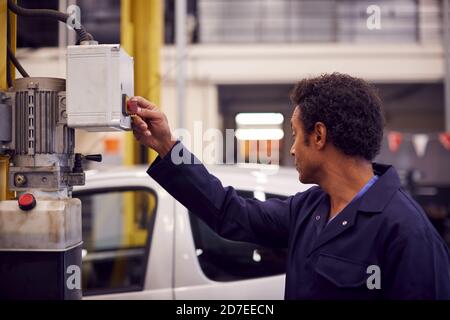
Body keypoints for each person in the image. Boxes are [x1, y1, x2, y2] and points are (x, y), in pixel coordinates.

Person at [128, 73, 450, 300]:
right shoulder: (308, 209)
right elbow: (230, 212)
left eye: (296, 134)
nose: (293, 149)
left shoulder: (407, 233)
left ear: (319, 136)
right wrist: (169, 147)